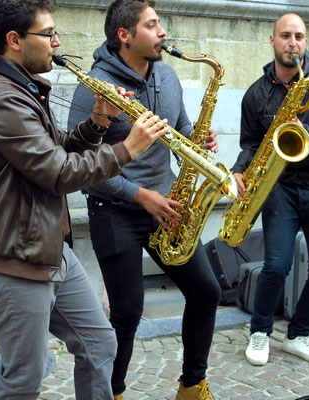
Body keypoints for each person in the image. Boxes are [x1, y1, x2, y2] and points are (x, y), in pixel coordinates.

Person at [0, 0, 170, 398]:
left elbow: (56, 153)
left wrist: (98, 122)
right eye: (48, 34)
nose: (57, 42)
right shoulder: (3, 99)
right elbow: (58, 174)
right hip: (14, 259)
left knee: (100, 344)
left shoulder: (24, 87)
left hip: (48, 245)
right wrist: (129, 148)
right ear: (14, 40)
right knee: (24, 378)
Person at [67, 1, 220, 399]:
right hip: (114, 209)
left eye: (159, 24)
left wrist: (198, 138)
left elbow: (180, 125)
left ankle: (192, 386)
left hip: (165, 206)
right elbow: (81, 161)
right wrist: (140, 195)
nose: (162, 32)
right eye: (152, 25)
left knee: (207, 291)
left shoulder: (166, 75)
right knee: (127, 314)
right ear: (125, 35)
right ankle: (112, 393)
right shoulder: (95, 86)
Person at [232, 13, 309, 367]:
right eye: (285, 36)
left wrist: (306, 130)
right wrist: (239, 170)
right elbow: (251, 144)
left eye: (299, 36)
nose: (293, 43)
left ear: (306, 42)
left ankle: (300, 334)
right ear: (272, 40)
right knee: (275, 266)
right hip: (280, 186)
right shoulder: (256, 94)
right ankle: (259, 332)